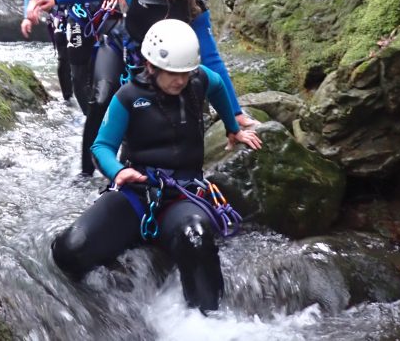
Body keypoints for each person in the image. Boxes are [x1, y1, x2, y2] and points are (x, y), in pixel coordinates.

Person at [50, 20, 262, 312]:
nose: (180, 80)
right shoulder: (129, 97)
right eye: (173, 73)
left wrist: (232, 126)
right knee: (70, 250)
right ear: (151, 66)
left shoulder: (198, 79)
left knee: (196, 239)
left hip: (182, 195)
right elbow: (101, 147)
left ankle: (208, 321)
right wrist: (117, 171)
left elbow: (218, 85)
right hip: (136, 192)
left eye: (185, 73)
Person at [31, 0, 255, 130]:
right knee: (101, 99)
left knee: (153, 116)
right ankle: (90, 164)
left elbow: (211, 59)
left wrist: (235, 113)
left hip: (160, 59)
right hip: (123, 45)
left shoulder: (196, 5)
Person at [23, 0, 130, 177]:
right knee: (77, 71)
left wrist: (125, 3)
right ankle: (89, 122)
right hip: (75, 15)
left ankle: (112, 126)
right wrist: (33, 2)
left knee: (109, 79)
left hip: (107, 14)